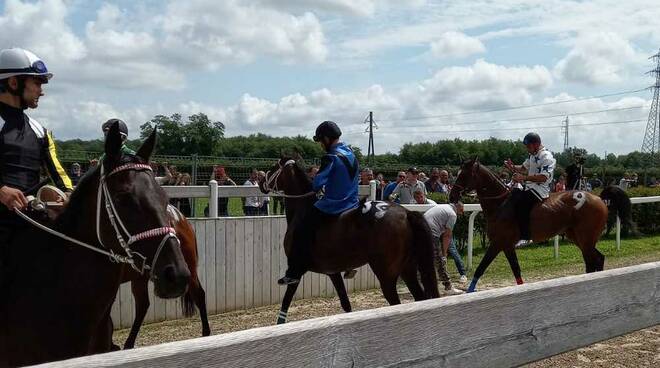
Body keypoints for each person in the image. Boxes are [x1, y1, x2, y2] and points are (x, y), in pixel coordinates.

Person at [0, 47, 73, 284]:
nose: (41, 91)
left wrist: (71, 193)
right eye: (37, 83)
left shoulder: (39, 129)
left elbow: (58, 172)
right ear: (13, 82)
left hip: (31, 216)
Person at [279, 121, 359, 285]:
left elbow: (317, 184)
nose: (321, 145)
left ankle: (293, 272)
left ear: (327, 139)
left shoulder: (330, 157)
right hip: (353, 203)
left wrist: (317, 183)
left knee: (300, 230)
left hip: (334, 205)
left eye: (321, 141)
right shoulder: (351, 154)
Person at [504, 132, 556, 248]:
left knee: (521, 201)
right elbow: (523, 168)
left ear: (536, 144)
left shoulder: (546, 156)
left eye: (528, 146)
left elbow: (543, 177)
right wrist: (512, 167)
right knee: (513, 194)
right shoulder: (532, 155)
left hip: (541, 189)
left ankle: (526, 237)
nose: (527, 149)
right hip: (530, 187)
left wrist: (523, 178)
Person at [423, 202, 465, 295]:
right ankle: (448, 286)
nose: (461, 213)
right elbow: (447, 235)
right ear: (458, 208)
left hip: (421, 229)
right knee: (440, 261)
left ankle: (424, 284)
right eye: (461, 211)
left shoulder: (443, 206)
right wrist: (444, 254)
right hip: (431, 233)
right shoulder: (452, 215)